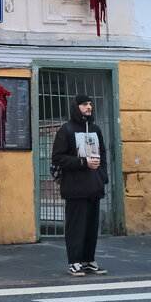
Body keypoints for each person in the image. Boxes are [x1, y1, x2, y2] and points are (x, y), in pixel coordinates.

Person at [51, 94, 109, 277]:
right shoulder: (66, 130)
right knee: (76, 227)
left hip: (94, 186)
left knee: (92, 227)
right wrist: (82, 162)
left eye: (90, 104)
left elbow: (103, 155)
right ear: (76, 107)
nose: (89, 107)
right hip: (75, 188)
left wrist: (102, 177)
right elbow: (58, 158)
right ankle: (74, 262)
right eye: (85, 104)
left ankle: (88, 260)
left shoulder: (96, 129)